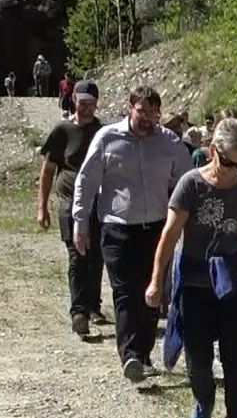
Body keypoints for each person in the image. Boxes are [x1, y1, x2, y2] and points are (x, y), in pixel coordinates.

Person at [146, 119, 237, 418]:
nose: (235, 170)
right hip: (195, 281)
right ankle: (204, 400)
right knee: (198, 359)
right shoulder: (190, 184)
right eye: (230, 162)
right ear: (213, 151)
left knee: (235, 359)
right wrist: (157, 281)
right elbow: (170, 235)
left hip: (232, 282)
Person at [72, 85, 190, 383]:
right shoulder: (107, 138)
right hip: (117, 228)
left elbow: (186, 182)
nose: (147, 118)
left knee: (152, 291)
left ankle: (144, 353)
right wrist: (80, 222)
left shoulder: (169, 142)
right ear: (129, 108)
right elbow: (86, 181)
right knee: (125, 292)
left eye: (153, 113)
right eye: (142, 111)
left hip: (156, 229)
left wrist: (188, 222)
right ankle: (131, 355)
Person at [37, 80, 106, 337]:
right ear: (74, 100)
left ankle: (93, 305)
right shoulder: (62, 130)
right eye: (82, 103)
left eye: (91, 104)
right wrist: (42, 207)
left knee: (96, 255)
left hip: (97, 203)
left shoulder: (103, 132)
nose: (86, 108)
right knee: (77, 255)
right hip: (68, 203)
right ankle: (79, 312)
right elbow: (48, 171)